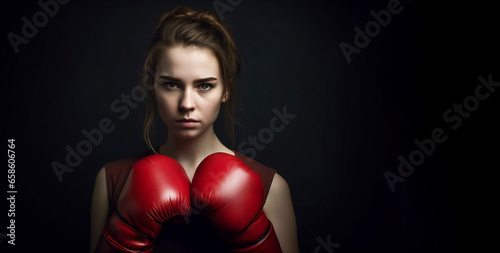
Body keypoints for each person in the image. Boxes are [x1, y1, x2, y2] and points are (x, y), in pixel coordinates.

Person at [89, 6, 299, 253]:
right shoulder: (113, 180)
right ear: (153, 87)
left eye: (204, 86)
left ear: (226, 90)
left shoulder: (271, 188)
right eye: (171, 84)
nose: (186, 103)